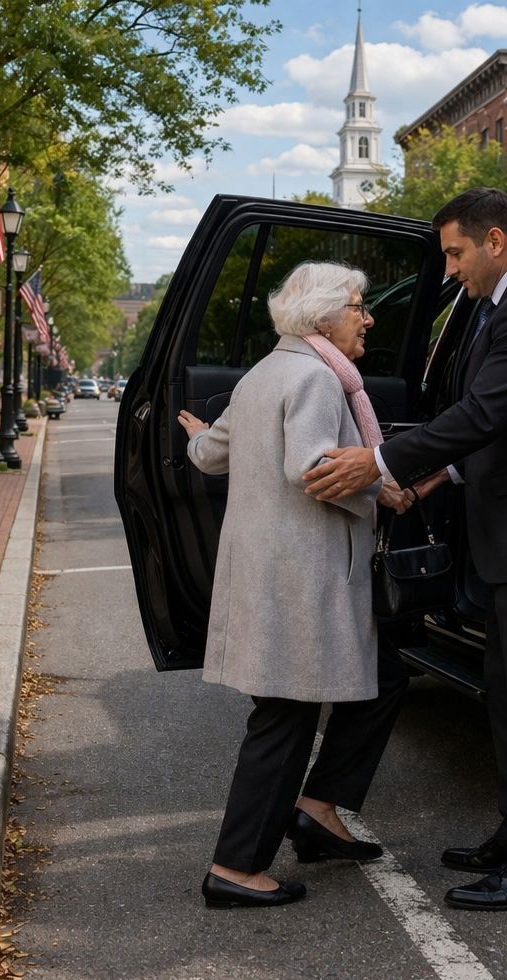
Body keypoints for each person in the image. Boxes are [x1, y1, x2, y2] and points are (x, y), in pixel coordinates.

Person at [302, 187, 507, 911]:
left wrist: (381, 462)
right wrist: (442, 474)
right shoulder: (504, 304)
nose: (449, 269)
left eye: (454, 253)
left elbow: (485, 411)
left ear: (494, 241)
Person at [177, 261, 414, 910]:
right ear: (324, 318)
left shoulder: (263, 373)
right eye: (359, 307)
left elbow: (212, 455)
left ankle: (318, 809)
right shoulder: (315, 379)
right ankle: (235, 867)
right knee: (285, 715)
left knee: (383, 677)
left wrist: (198, 437)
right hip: (300, 578)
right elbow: (312, 469)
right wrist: (383, 487)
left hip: (269, 574)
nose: (368, 319)